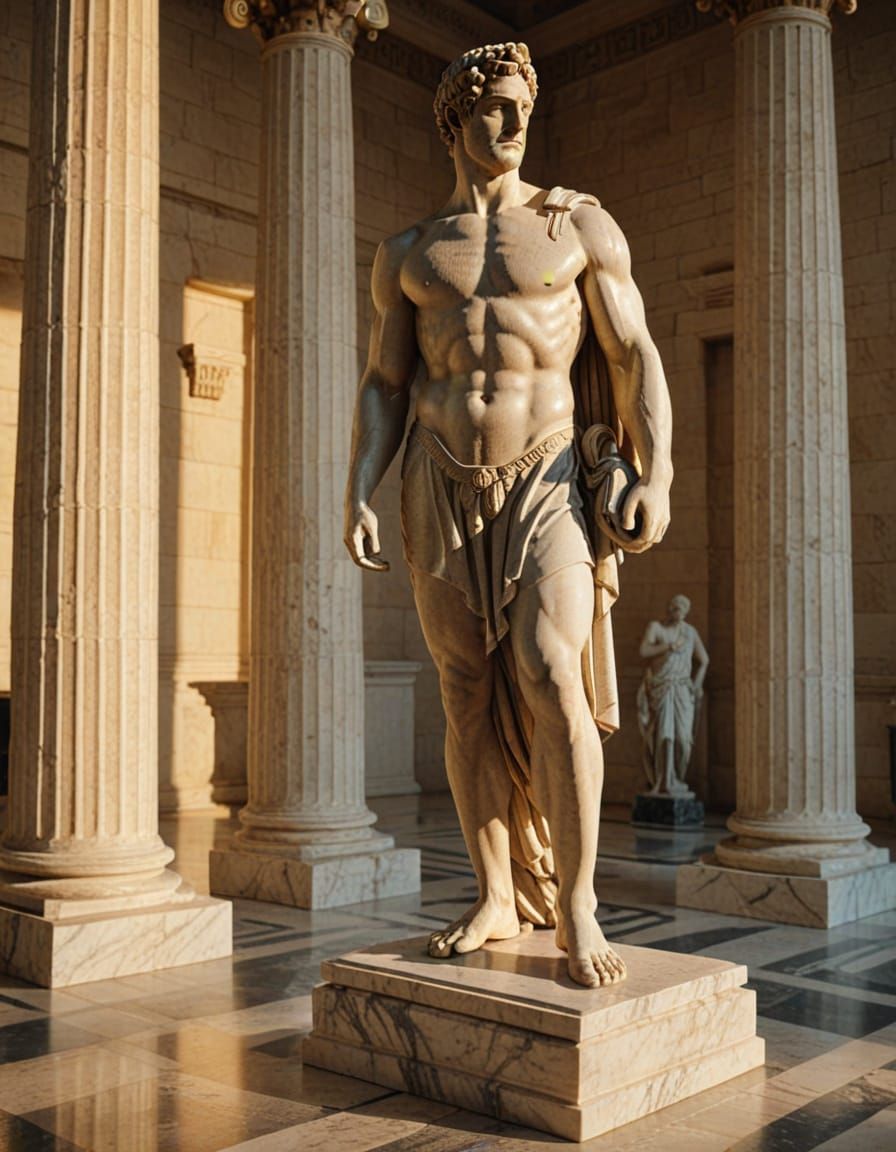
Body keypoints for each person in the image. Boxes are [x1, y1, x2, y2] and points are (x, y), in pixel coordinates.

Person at [344, 43, 673, 988]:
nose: (516, 124)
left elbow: (635, 350)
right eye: (494, 106)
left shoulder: (578, 228)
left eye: (524, 106)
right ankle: (494, 891)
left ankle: (576, 903)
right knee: (464, 691)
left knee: (545, 668)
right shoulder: (408, 251)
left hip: (549, 477)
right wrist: (358, 485)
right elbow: (386, 382)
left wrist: (656, 474)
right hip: (436, 478)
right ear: (453, 120)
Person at [637, 595, 709, 796]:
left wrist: (696, 685)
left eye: (682, 609)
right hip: (661, 688)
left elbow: (704, 660)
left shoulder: (690, 633)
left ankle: (675, 778)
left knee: (683, 739)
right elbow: (644, 650)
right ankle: (662, 781)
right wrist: (668, 647)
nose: (678, 612)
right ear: (669, 609)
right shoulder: (657, 628)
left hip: (682, 690)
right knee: (663, 736)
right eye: (675, 608)